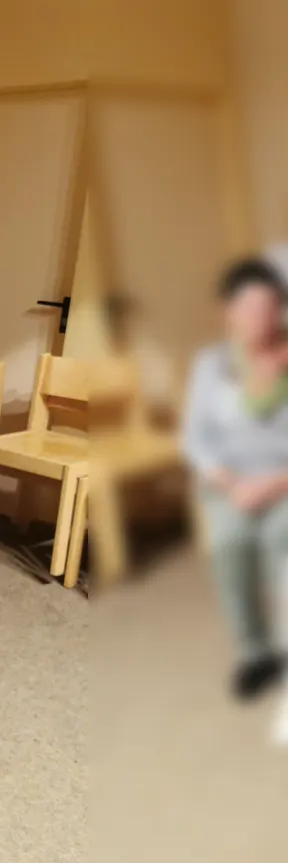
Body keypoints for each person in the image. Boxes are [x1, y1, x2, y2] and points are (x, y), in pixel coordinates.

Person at [180, 259, 288, 709]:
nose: (256, 320)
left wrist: (271, 485)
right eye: (246, 310)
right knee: (230, 546)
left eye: (266, 309)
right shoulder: (213, 363)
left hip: (284, 483)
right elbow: (196, 439)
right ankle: (256, 652)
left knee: (282, 542)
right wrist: (233, 484)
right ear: (228, 312)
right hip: (230, 485)